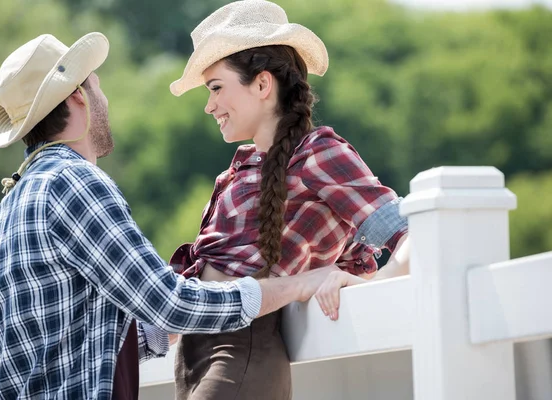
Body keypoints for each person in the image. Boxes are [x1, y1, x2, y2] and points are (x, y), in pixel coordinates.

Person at [0, 32, 341, 400]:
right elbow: (170, 303)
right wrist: (296, 285)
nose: (104, 100)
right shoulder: (74, 183)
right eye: (98, 88)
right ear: (78, 97)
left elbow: (75, 343)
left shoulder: (11, 205)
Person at [167, 1, 411, 399]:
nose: (209, 105)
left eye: (215, 88)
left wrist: (368, 280)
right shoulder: (240, 169)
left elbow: (412, 233)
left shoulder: (318, 152)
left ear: (262, 85)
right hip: (195, 358)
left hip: (239, 353)